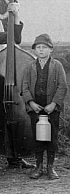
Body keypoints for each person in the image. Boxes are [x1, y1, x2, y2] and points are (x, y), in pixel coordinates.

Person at [22, 34, 68, 180]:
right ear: (34, 50)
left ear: (51, 49)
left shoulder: (57, 66)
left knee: (51, 137)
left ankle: (50, 167)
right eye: (38, 47)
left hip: (51, 108)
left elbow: (62, 86)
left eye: (44, 47)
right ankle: (38, 166)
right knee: (37, 137)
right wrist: (31, 103)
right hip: (36, 107)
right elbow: (25, 86)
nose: (41, 50)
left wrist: (53, 104)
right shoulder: (29, 67)